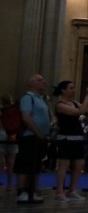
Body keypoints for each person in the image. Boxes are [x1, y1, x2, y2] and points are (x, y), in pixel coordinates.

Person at [51, 81, 88, 202]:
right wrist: (86, 96)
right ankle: (60, 192)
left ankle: (72, 190)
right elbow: (79, 112)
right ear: (63, 90)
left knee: (79, 164)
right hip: (66, 137)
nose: (73, 90)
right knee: (64, 165)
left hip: (77, 137)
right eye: (71, 88)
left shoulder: (74, 102)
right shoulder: (60, 104)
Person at [16, 74, 51, 204]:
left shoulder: (41, 98)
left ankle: (33, 190)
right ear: (31, 83)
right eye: (40, 80)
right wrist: (37, 131)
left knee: (36, 164)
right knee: (25, 164)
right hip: (30, 136)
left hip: (39, 137)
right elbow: (26, 117)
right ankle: (21, 191)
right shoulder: (27, 98)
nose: (44, 82)